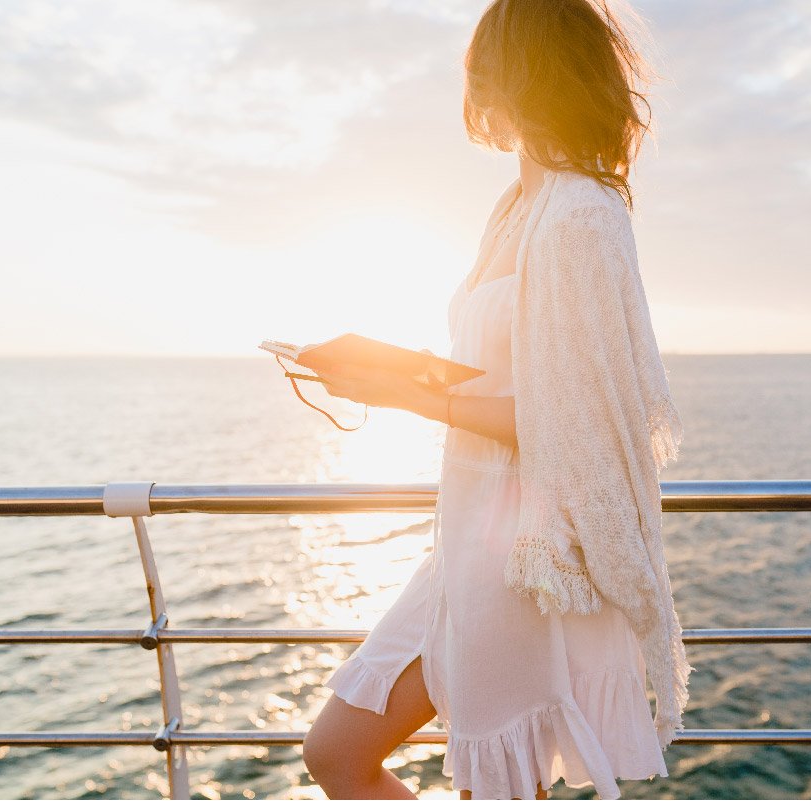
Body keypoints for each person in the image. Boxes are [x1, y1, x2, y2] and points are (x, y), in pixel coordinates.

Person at [301, 1, 686, 798]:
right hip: (468, 550)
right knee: (336, 751)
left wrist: (401, 392)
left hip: (526, 559)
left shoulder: (580, 215)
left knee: (496, 783)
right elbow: (515, 374)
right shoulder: (516, 209)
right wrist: (387, 360)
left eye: (481, 62)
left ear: (518, 74)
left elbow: (570, 421)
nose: (470, 81)